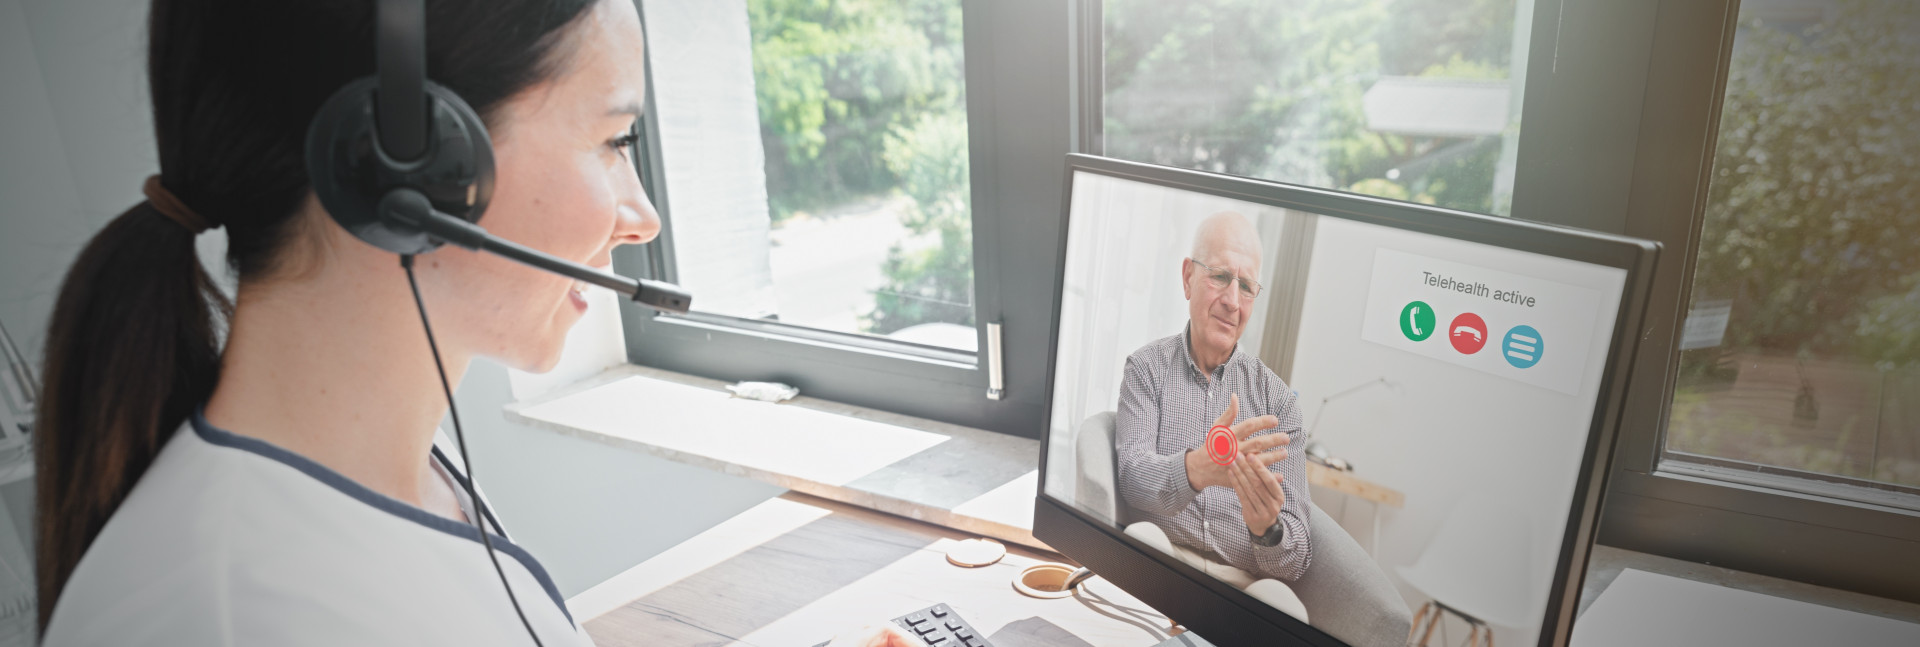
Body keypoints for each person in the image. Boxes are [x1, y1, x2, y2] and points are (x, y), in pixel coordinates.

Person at [33, 1, 913, 645]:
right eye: (614, 141)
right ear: (405, 167)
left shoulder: (385, 472)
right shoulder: (230, 614)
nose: (641, 215)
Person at [1114, 211, 1312, 583]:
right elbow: (1131, 477)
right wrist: (1196, 470)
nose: (1233, 301)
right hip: (1159, 561)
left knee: (1285, 610)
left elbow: (1298, 556)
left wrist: (1266, 529)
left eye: (1247, 286)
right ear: (1188, 277)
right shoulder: (1146, 368)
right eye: (1220, 277)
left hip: (1239, 586)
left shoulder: (1279, 404)